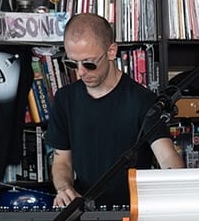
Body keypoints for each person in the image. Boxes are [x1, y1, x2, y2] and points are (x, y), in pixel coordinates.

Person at [47, 13, 183, 208]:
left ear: (111, 51)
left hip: (134, 211)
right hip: (84, 213)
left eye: (89, 63)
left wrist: (180, 191)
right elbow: (62, 162)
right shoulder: (64, 99)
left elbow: (167, 156)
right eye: (71, 63)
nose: (81, 72)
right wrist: (64, 188)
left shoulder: (141, 100)